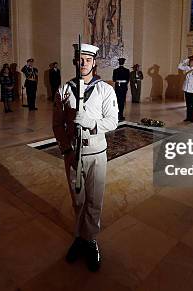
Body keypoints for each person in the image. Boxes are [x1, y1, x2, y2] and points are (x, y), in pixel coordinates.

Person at [53, 43, 118, 272]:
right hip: (73, 154)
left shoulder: (105, 90)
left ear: (94, 62)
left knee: (94, 200)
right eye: (79, 59)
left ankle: (91, 240)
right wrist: (65, 148)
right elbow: (57, 124)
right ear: (74, 61)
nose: (83, 63)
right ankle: (79, 237)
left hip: (96, 153)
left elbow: (112, 122)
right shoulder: (64, 89)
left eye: (87, 60)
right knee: (78, 200)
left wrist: (91, 123)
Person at [178, 56, 193, 123]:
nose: (191, 62)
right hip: (186, 89)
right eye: (190, 61)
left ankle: (192, 118)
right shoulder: (187, 68)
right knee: (188, 105)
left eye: (192, 61)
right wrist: (186, 60)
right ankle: (188, 117)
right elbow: (179, 66)